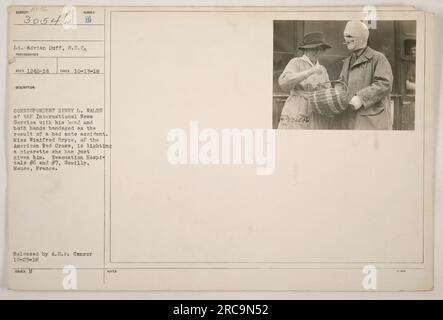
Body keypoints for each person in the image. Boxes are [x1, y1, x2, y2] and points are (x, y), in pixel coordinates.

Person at [334, 20, 394, 130]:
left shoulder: (378, 58)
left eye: (349, 36)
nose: (345, 39)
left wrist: (361, 98)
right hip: (350, 120)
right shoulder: (348, 61)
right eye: (345, 36)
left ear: (361, 37)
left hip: (372, 121)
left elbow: (384, 84)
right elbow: (341, 83)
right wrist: (336, 94)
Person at [277, 32, 331, 129]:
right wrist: (309, 72)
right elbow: (283, 83)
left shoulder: (322, 69)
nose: (317, 52)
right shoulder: (296, 62)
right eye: (314, 49)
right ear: (305, 49)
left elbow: (327, 91)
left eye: (320, 49)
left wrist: (323, 92)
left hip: (315, 112)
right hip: (296, 108)